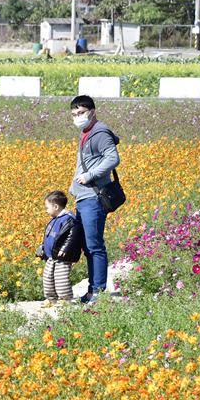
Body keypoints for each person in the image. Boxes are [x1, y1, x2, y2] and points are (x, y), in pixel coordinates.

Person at [68, 95, 120, 305]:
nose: (78, 117)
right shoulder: (86, 132)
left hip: (93, 195)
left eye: (81, 113)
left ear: (92, 111)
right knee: (88, 246)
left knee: (95, 245)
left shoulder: (99, 132)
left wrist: (89, 176)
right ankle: (92, 290)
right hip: (84, 196)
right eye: (74, 114)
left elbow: (113, 158)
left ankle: (98, 291)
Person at [35, 190, 83, 307]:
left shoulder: (69, 219)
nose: (46, 210)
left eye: (47, 207)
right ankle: (51, 298)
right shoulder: (54, 219)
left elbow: (73, 237)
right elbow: (49, 236)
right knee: (47, 277)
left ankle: (65, 299)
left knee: (61, 278)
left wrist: (65, 249)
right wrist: (43, 247)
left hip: (62, 256)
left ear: (56, 206)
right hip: (51, 255)